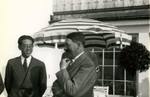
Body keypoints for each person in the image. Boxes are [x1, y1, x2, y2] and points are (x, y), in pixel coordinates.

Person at [52, 32, 97, 97]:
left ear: (79, 45)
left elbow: (72, 91)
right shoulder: (69, 61)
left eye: (68, 45)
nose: (65, 48)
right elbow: (55, 85)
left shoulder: (88, 65)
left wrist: (63, 69)